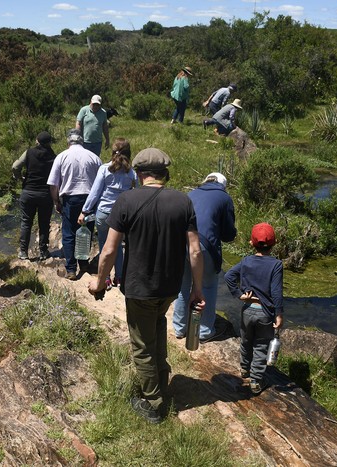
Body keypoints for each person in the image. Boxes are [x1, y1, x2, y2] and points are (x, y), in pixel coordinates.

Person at [88, 148, 205, 424]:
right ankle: (161, 381)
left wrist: (99, 282)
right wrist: (196, 289)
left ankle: (153, 403)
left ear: (139, 174)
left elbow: (108, 250)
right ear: (165, 173)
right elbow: (196, 251)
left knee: (141, 343)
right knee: (157, 325)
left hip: (139, 287)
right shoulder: (183, 201)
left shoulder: (126, 200)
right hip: (169, 288)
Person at [173, 172, 236, 343]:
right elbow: (229, 234)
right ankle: (205, 331)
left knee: (183, 285)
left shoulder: (191, 194)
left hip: (180, 243)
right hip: (203, 245)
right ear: (223, 184)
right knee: (208, 284)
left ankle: (179, 328)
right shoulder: (224, 198)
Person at [224, 222, 284, 395]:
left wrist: (238, 294)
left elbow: (229, 275)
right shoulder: (276, 265)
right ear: (275, 242)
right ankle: (256, 380)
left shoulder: (246, 261)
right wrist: (279, 314)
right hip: (265, 312)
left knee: (246, 340)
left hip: (248, 309)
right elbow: (276, 292)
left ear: (251, 243)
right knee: (261, 345)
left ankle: (244, 369)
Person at [78, 138, 137, 289]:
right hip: (123, 215)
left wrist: (84, 211)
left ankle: (105, 278)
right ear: (129, 153)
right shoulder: (132, 173)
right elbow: (135, 194)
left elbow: (95, 193)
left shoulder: (105, 169)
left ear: (112, 152)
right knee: (117, 245)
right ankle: (119, 277)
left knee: (105, 246)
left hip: (104, 212)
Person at [47, 129, 102, 280]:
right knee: (86, 232)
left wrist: (56, 202)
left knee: (69, 233)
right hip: (90, 200)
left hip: (70, 200)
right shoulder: (94, 157)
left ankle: (71, 269)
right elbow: (101, 182)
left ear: (68, 142)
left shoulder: (62, 156)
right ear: (82, 141)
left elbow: (53, 184)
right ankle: (83, 263)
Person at [12, 131, 56, 261]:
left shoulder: (29, 152)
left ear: (37, 141)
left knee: (26, 222)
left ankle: (23, 252)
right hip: (45, 194)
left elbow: (15, 166)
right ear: (49, 143)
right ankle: (43, 251)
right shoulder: (54, 156)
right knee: (44, 223)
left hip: (28, 192)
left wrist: (20, 177)